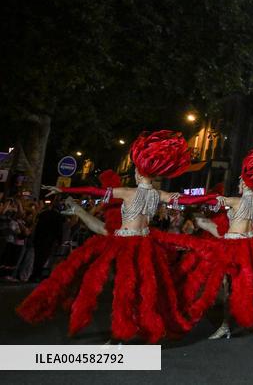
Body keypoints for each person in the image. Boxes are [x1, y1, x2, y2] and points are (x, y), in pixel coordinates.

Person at [17, 131, 205, 342]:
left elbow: (94, 191)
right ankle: (138, 327)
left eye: (136, 170)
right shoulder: (158, 195)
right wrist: (216, 198)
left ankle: (122, 333)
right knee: (148, 287)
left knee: (124, 288)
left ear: (141, 173)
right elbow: (189, 201)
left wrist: (61, 188)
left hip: (125, 241)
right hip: (145, 242)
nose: (134, 173)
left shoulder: (128, 192)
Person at [179, 148, 253, 340]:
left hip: (232, 248)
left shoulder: (234, 201)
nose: (239, 183)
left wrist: (177, 198)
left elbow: (204, 199)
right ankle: (239, 321)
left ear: (247, 184)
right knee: (249, 284)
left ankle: (228, 324)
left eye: (241, 181)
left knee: (230, 286)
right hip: (249, 247)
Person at [29, 200, 63, 282]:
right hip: (49, 241)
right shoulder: (59, 217)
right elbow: (59, 230)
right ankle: (37, 275)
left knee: (36, 258)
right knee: (43, 258)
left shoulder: (43, 214)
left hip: (39, 238)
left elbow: (37, 226)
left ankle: (33, 274)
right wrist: (59, 241)